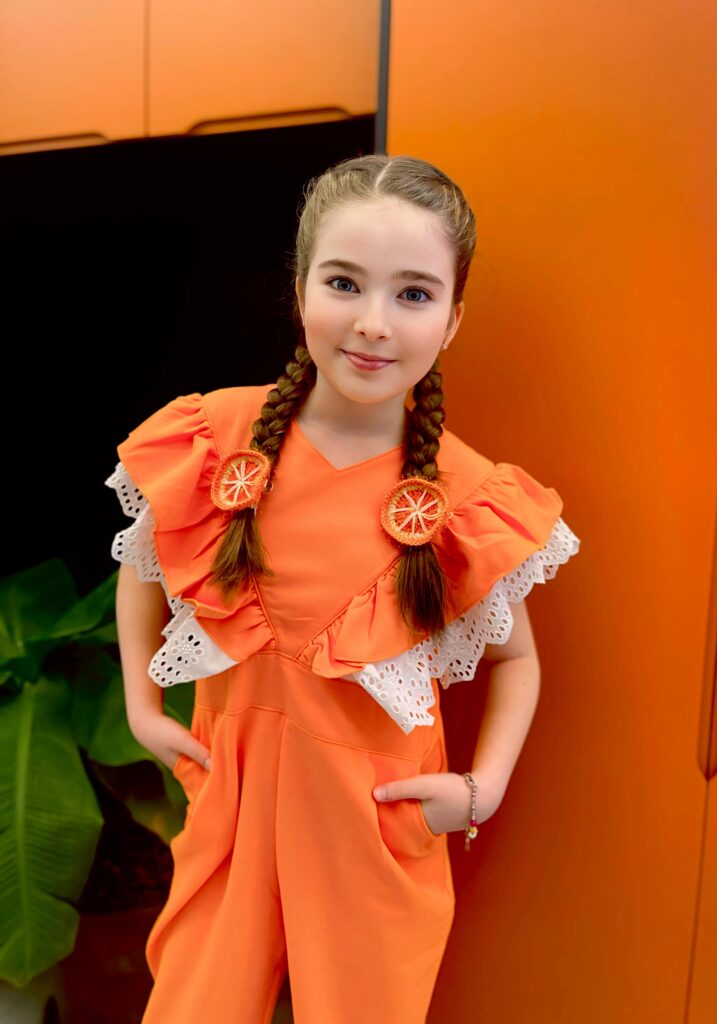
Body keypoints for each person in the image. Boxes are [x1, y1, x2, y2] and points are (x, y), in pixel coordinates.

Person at [105, 153, 581, 1024]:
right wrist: (143, 706)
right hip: (231, 806)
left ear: (453, 319)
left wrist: (481, 790)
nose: (372, 323)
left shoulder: (465, 497)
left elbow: (518, 661)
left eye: (413, 294)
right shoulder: (214, 436)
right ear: (300, 290)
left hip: (375, 823)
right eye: (344, 283)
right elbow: (141, 565)